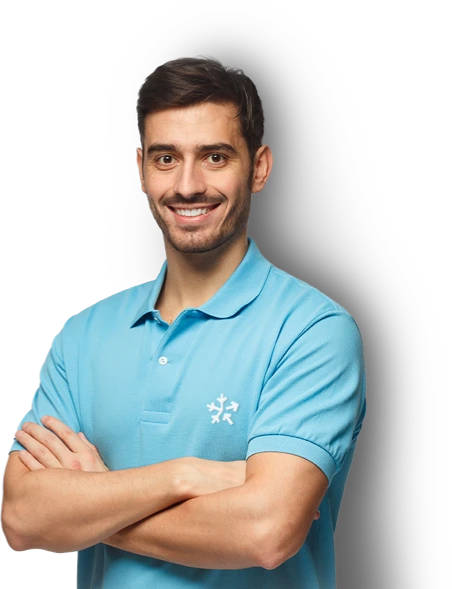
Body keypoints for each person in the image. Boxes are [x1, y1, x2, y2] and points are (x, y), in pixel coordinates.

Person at [2, 51, 367, 588]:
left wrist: (94, 504)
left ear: (259, 168)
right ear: (141, 168)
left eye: (215, 157)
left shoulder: (312, 331)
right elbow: (22, 516)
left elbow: (266, 532)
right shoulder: (83, 337)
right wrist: (185, 476)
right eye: (166, 158)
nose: (188, 185)